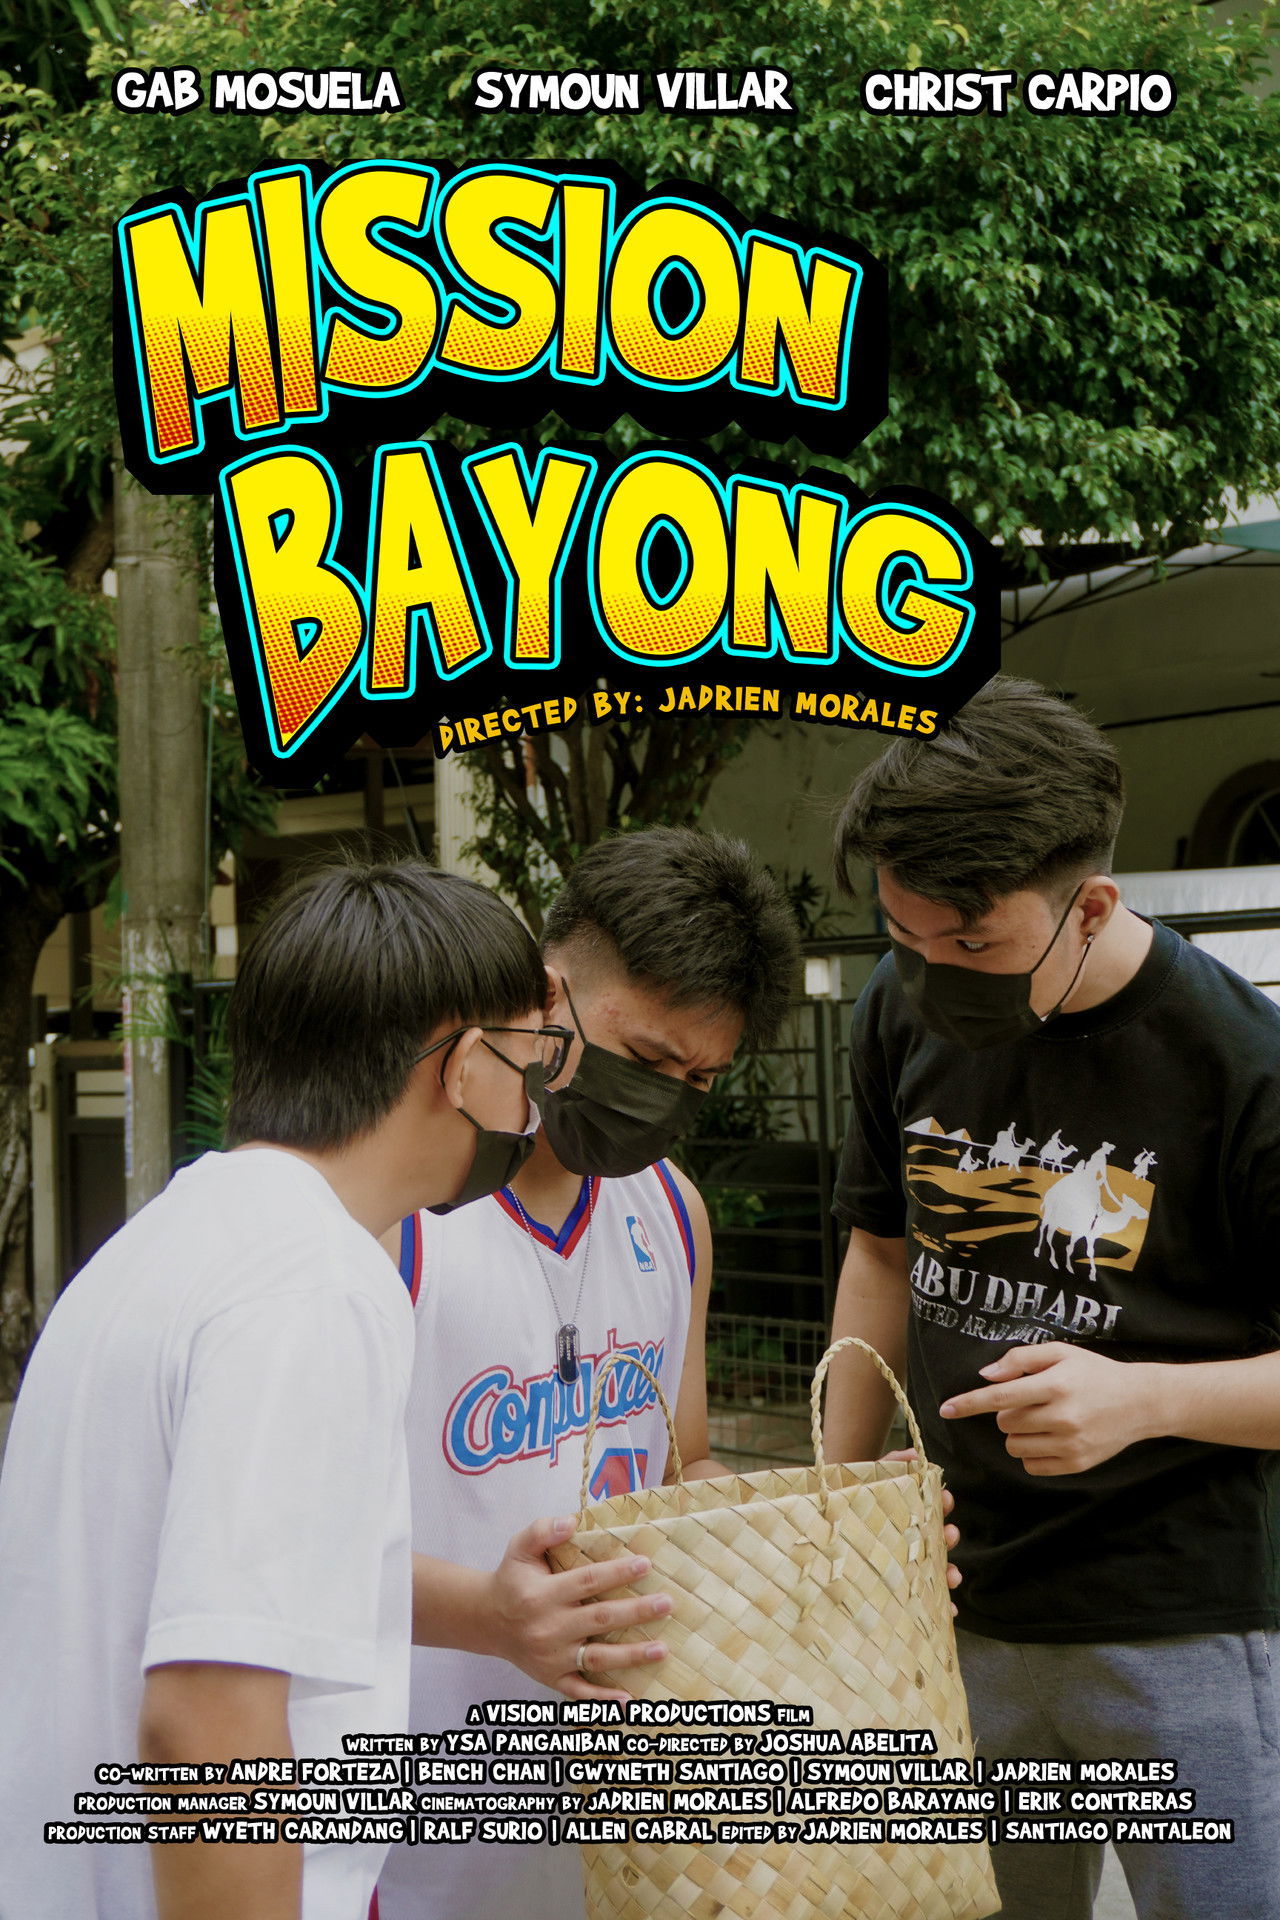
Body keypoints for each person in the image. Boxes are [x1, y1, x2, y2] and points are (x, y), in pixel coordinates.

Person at [0, 858, 553, 1920]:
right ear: (463, 1066)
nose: (533, 1106)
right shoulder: (315, 1290)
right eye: (530, 1062)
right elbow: (211, 1726)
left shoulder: (165, 1243)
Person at [822, 676, 1280, 1920]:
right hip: (953, 1601)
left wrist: (1140, 1402)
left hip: (1175, 1621)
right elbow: (878, 1254)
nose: (930, 973)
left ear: (1090, 906)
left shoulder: (1241, 1065)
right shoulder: (894, 1008)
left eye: (971, 946)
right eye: (902, 934)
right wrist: (837, 1506)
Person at [375, 827, 803, 1920]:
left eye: (697, 1079)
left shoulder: (673, 1211)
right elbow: (292, 1549)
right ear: (546, 992)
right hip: (413, 1834)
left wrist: (815, 1531)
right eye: (646, 1059)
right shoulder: (401, 1218)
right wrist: (492, 1615)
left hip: (625, 1828)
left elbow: (683, 1466)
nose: (664, 1100)